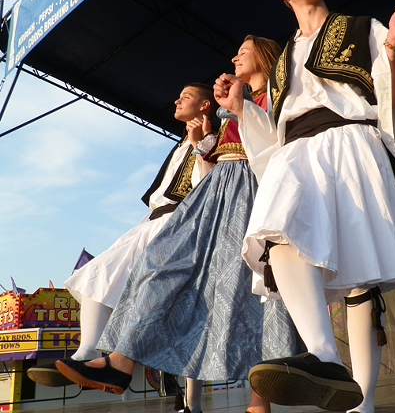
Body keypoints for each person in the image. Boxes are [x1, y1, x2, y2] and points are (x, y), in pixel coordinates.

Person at [214, 0, 395, 413]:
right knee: (278, 228)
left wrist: (394, 45)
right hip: (296, 151)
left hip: (350, 140)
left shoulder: (363, 28)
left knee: (359, 281)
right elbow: (275, 135)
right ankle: (324, 354)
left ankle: (363, 403)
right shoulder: (283, 59)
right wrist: (241, 110)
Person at [54, 36, 298, 413]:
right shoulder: (234, 104)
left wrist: (239, 110)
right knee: (159, 262)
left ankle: (257, 401)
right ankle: (120, 358)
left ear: (264, 58)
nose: (234, 57)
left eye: (243, 52)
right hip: (220, 190)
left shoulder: (281, 94)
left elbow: (277, 144)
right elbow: (218, 156)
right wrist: (207, 140)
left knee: (255, 291)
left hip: (256, 187)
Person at [27, 83, 215, 388]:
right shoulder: (181, 143)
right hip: (151, 223)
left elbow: (206, 189)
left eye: (187, 97)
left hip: (178, 223)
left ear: (205, 106)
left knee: (148, 293)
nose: (177, 100)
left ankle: (115, 364)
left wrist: (200, 144)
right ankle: (87, 353)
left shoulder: (210, 139)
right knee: (97, 273)